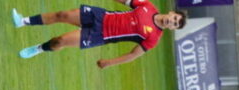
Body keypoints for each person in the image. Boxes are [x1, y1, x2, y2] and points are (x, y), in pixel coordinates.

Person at [12, 2, 186, 69]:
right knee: (62, 15)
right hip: (100, 16)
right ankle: (23, 21)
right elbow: (126, 0)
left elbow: (133, 55)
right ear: (171, 13)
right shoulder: (148, 6)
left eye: (176, 25)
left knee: (61, 40)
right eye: (175, 19)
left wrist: (109, 63)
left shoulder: (154, 37)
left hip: (99, 34)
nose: (173, 22)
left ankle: (38, 49)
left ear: (172, 29)